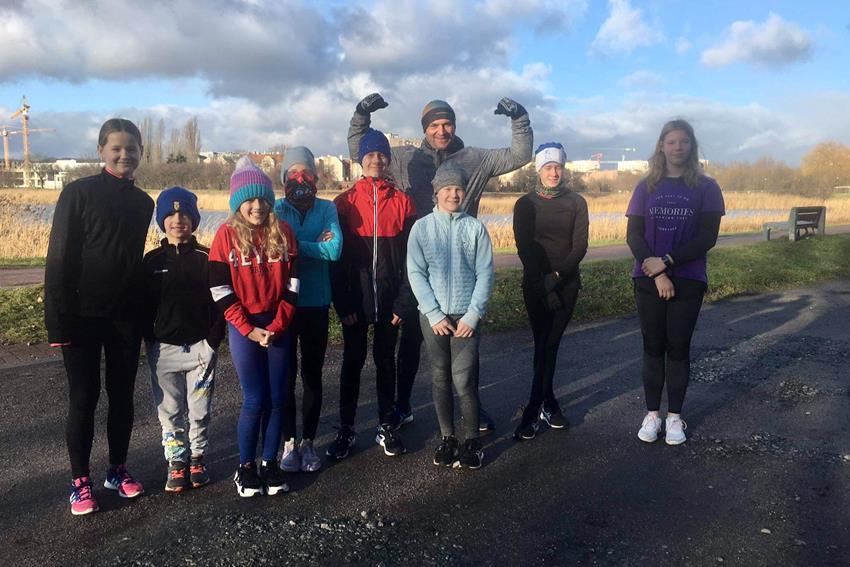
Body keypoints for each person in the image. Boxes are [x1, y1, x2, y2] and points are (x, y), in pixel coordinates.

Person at [348, 93, 532, 432]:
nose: (441, 130)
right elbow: (360, 150)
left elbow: (520, 154)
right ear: (425, 128)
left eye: (447, 124)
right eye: (434, 125)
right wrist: (361, 114)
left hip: (461, 260)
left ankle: (472, 408)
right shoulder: (405, 158)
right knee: (410, 340)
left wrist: (519, 117)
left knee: (466, 341)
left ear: (454, 126)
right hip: (417, 260)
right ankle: (403, 405)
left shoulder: (475, 158)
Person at [44, 118, 154, 515]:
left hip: (125, 316)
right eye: (117, 148)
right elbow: (59, 258)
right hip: (81, 316)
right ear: (101, 151)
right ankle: (80, 482)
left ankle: (117, 470)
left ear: (141, 153)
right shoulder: (78, 193)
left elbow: (132, 262)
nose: (125, 155)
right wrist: (57, 320)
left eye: (132, 149)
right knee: (84, 397)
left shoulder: (144, 204)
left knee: (122, 396)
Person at [625, 119, 725, 445]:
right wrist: (657, 272)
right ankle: (652, 415)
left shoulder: (707, 188)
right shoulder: (646, 187)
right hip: (648, 278)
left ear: (691, 146)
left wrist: (667, 262)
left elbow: (707, 237)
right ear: (661, 146)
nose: (677, 147)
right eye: (671, 141)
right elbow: (634, 235)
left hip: (688, 279)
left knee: (678, 349)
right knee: (653, 347)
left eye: (683, 141)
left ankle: (674, 418)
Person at [208, 157, 299, 496]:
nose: (257, 206)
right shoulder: (225, 235)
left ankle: (270, 462)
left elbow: (293, 285)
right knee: (255, 399)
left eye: (263, 199)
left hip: (277, 325)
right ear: (237, 203)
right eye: (249, 200)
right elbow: (219, 288)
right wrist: (247, 328)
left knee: (277, 398)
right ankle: (245, 467)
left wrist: (278, 324)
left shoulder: (284, 232)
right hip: (244, 326)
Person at [328, 128, 416, 459]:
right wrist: (344, 303)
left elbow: (412, 259)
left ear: (388, 160)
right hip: (356, 301)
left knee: (385, 362)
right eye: (370, 155)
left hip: (390, 302)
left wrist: (403, 303)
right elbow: (336, 260)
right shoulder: (344, 203)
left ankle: (386, 424)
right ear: (360, 160)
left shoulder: (403, 202)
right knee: (352, 363)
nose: (376, 160)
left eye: (381, 154)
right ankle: (347, 428)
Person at [407, 162, 494, 469]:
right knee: (440, 376)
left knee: (464, 379)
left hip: (466, 317)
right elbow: (416, 273)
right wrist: (433, 313)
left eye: (458, 188)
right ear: (437, 193)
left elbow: (485, 273)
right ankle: (448, 438)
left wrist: (473, 314)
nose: (453, 194)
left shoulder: (475, 228)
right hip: (434, 318)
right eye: (447, 189)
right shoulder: (422, 228)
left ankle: (472, 440)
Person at [142, 187, 225, 492]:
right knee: (170, 410)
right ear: (162, 221)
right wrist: (150, 340)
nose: (179, 220)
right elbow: (143, 306)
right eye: (172, 215)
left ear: (194, 219)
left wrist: (213, 341)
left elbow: (220, 301)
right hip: (163, 350)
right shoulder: (151, 262)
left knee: (199, 410)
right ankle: (177, 460)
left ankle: (197, 457)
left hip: (201, 349)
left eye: (185, 214)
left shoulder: (207, 257)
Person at [512, 143, 588, 440]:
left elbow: (579, 246)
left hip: (566, 284)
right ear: (538, 170)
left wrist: (556, 278)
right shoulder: (524, 204)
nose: (554, 172)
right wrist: (543, 281)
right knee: (542, 344)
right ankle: (546, 403)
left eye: (558, 167)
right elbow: (524, 247)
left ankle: (534, 409)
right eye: (548, 167)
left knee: (550, 344)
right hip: (535, 283)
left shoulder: (577, 202)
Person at [273, 147, 342, 473]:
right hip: (284, 304)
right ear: (283, 178)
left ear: (315, 176)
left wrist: (293, 246)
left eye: (306, 173)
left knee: (312, 375)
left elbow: (334, 249)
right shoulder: (274, 209)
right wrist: (314, 245)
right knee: (285, 375)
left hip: (316, 302)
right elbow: (270, 248)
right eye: (293, 173)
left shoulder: (327, 208)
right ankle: (288, 441)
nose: (300, 179)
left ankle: (309, 442)